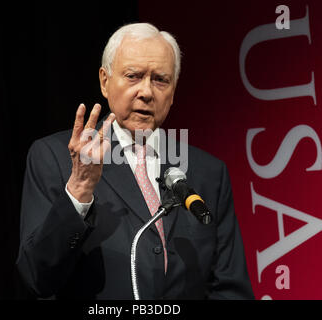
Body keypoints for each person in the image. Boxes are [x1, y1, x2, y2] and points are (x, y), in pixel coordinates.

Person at [16, 23, 254, 300]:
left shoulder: (208, 173)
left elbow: (230, 289)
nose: (146, 92)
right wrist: (80, 189)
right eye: (133, 76)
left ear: (173, 91)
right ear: (105, 82)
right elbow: (37, 277)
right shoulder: (55, 157)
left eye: (160, 80)